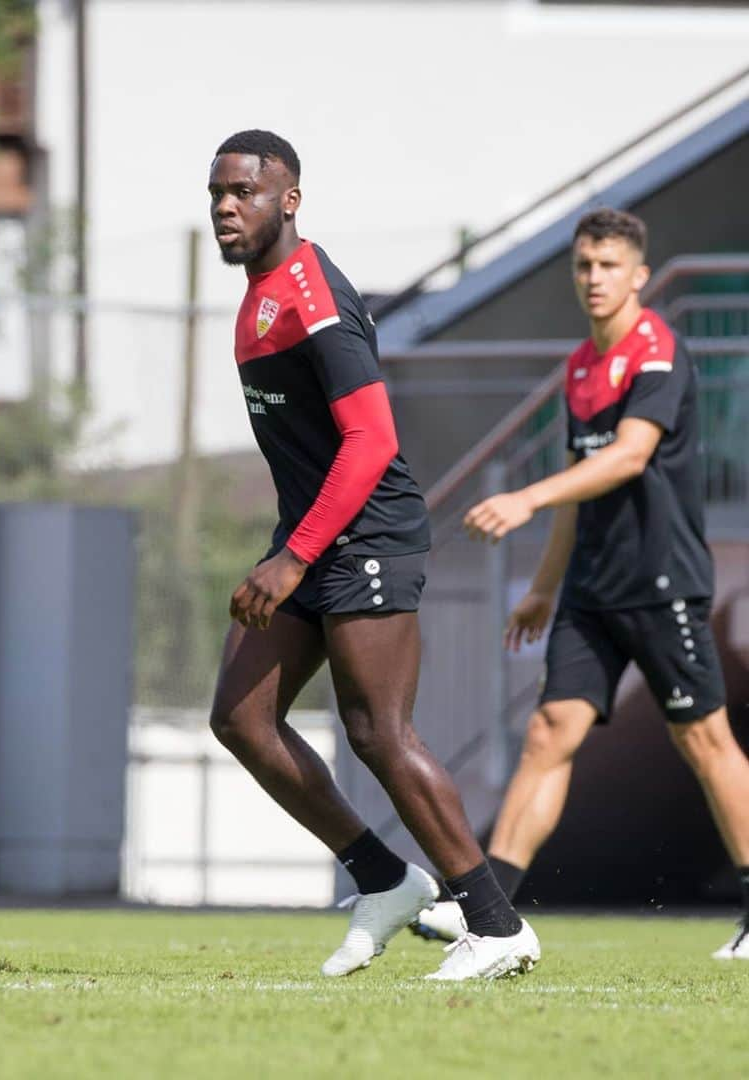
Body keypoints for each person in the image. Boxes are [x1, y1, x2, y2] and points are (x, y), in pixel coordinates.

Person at [206, 129, 539, 981]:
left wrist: (293, 559)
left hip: (367, 533)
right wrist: (290, 548)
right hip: (313, 535)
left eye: (244, 191)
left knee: (379, 732)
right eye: (216, 194)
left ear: (290, 199)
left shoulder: (314, 295)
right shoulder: (259, 297)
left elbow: (371, 437)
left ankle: (497, 925)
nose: (225, 207)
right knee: (241, 720)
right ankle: (384, 879)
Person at [413, 208, 749, 961]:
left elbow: (628, 458)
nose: (593, 279)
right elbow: (578, 489)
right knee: (547, 734)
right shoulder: (578, 368)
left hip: (661, 584)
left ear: (638, 275)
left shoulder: (657, 351)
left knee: (704, 740)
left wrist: (526, 497)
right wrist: (542, 586)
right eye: (583, 267)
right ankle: (490, 914)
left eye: (607, 266)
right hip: (590, 593)